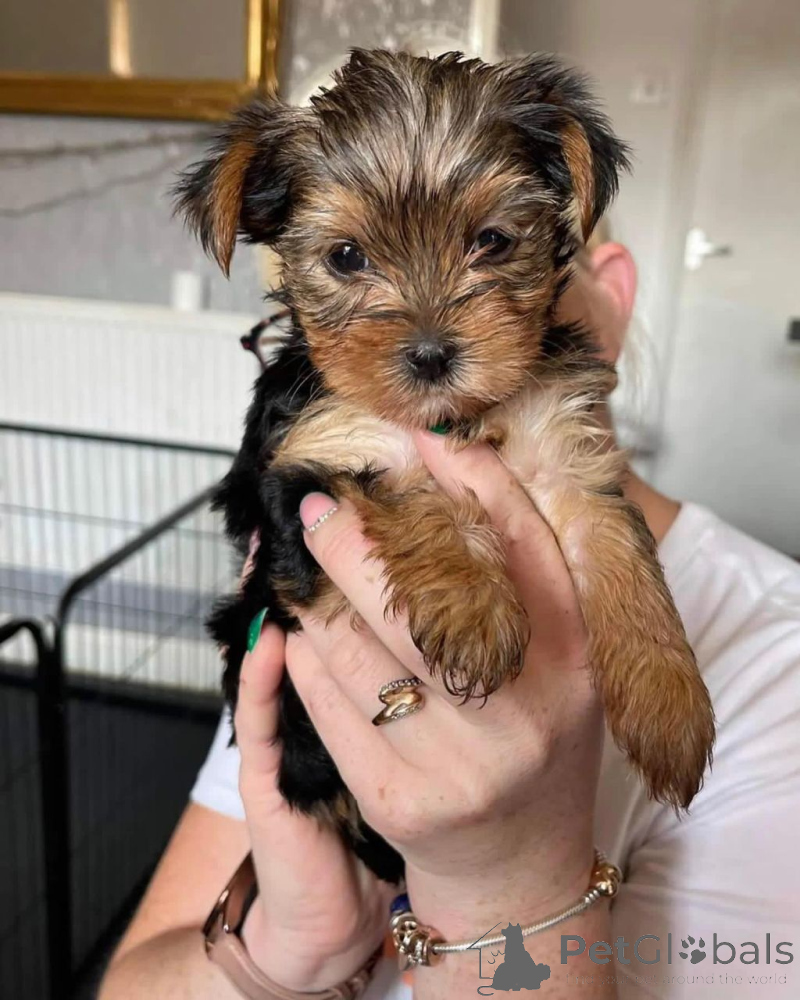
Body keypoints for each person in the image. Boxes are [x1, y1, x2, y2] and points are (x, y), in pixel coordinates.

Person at [98, 242, 800, 1000]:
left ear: (612, 298)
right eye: (348, 262)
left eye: (493, 247)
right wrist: (289, 950)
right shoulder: (326, 605)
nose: (424, 339)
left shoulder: (777, 664)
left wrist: (508, 879)